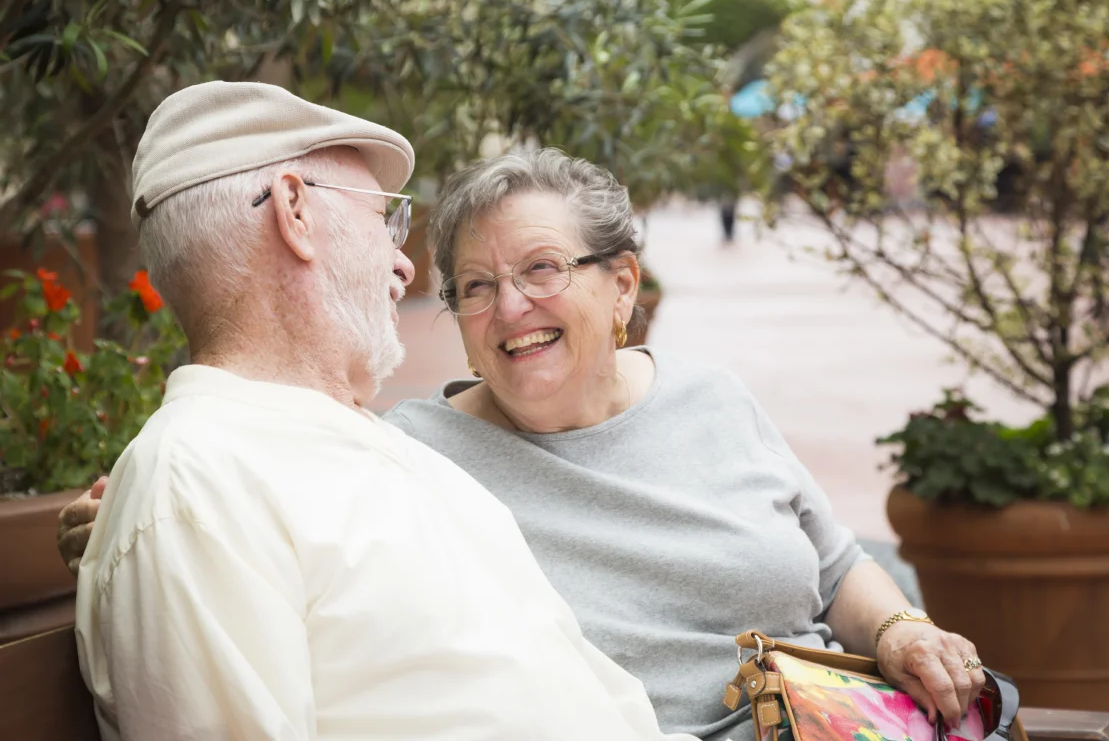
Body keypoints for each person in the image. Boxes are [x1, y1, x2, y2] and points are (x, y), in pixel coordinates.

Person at [61, 146, 987, 740]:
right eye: (473, 286)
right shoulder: (417, 452)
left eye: (542, 269)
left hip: (842, 720)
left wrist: (904, 630)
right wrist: (116, 516)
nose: (510, 309)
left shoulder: (712, 400)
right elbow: (268, 470)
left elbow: (832, 566)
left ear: (622, 284)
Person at [69, 81, 700, 741]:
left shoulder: (376, 448)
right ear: (295, 212)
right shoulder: (196, 482)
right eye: (385, 221)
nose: (403, 265)